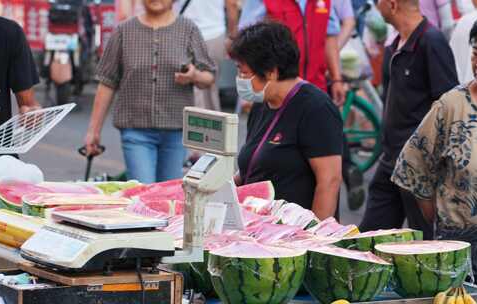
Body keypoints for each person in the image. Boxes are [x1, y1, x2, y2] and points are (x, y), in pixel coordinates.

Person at [392, 15, 477, 304]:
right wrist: (450, 224)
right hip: (464, 259)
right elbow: (413, 170)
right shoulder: (451, 107)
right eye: (476, 54)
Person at [84, 0, 216, 183]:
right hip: (135, 130)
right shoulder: (124, 31)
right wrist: (93, 131)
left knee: (167, 196)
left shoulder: (189, 29)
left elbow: (209, 76)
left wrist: (194, 76)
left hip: (176, 131)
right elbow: (107, 82)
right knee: (143, 190)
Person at [358, 0, 458, 240]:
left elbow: (447, 108)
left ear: (392, 5)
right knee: (367, 240)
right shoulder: (394, 46)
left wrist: (429, 164)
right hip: (390, 160)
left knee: (424, 246)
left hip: (419, 167)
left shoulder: (431, 41)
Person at [231, 22, 343, 220]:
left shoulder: (316, 108)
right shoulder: (262, 103)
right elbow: (252, 167)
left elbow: (329, 181)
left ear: (271, 72)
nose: (239, 78)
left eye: (243, 72)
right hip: (258, 225)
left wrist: (315, 238)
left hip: (293, 233)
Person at [238, 0, 346, 105]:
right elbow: (246, 43)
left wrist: (336, 79)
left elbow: (330, 37)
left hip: (317, 87)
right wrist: (250, 87)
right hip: (277, 94)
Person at [173, 0, 239, 111]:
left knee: (185, 82)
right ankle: (209, 123)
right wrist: (232, 35)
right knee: (210, 87)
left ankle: (187, 122)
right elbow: (232, 4)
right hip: (214, 33)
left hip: (184, 32)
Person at [0, 1, 41, 131]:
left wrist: (31, 114)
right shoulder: (9, 32)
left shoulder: (10, 32)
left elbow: (28, 109)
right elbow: (27, 105)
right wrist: (32, 114)